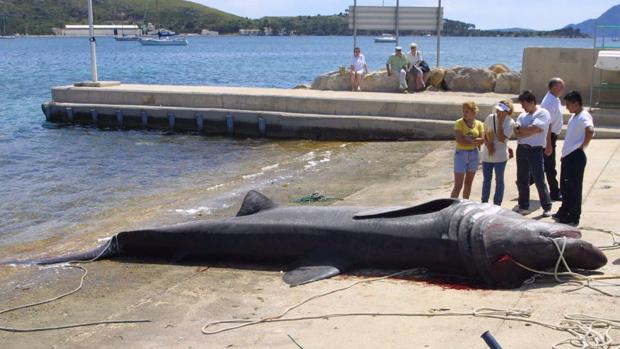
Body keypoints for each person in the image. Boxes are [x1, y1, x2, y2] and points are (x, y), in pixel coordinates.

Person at [553, 91, 594, 226]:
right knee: (565, 187)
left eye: (569, 104)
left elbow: (590, 129)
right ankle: (564, 211)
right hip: (568, 156)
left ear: (576, 103)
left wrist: (583, 145)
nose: (567, 107)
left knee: (574, 188)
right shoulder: (574, 116)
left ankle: (573, 216)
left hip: (575, 157)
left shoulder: (583, 116)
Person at [513, 90, 552, 216]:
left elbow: (535, 129)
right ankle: (523, 205)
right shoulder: (522, 116)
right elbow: (516, 130)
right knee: (522, 179)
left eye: (524, 104)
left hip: (535, 150)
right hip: (521, 149)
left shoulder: (542, 113)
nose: (523, 107)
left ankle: (546, 206)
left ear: (531, 102)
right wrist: (527, 131)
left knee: (539, 178)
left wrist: (524, 131)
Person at [481, 100, 516, 206]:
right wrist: (488, 145)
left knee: (499, 180)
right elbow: (484, 132)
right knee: (487, 179)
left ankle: (497, 203)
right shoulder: (490, 117)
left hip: (500, 156)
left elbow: (502, 139)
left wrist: (500, 122)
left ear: (507, 111)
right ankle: (484, 202)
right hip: (487, 154)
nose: (498, 112)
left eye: (501, 110)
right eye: (497, 109)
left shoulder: (510, 123)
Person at [450, 101, 484, 199]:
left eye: (467, 112)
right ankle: (450, 206)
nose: (464, 114)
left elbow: (482, 140)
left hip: (474, 154)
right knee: (458, 185)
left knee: (468, 183)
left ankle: (465, 203)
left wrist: (468, 138)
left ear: (473, 112)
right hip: (461, 155)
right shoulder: (459, 123)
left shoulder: (479, 124)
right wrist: (474, 140)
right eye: (463, 111)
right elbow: (460, 141)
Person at [540, 77, 565, 201]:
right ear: (554, 87)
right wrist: (549, 143)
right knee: (550, 165)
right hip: (548, 136)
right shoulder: (549, 102)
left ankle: (525, 182)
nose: (563, 88)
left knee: (544, 164)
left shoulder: (555, 99)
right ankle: (554, 192)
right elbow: (547, 124)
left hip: (552, 136)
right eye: (561, 86)